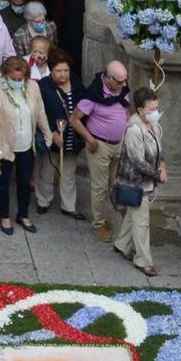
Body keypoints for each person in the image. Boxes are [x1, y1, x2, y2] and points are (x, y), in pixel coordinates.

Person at [0, 55, 48, 236]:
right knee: (2, 182)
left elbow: (40, 112)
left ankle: (23, 215)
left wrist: (48, 135)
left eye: (21, 79)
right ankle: (4, 216)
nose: (18, 82)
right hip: (5, 146)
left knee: (25, 182)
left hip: (26, 145)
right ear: (5, 75)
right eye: (14, 79)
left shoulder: (33, 87)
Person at [71, 58, 129, 243]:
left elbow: (126, 111)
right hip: (99, 146)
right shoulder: (92, 96)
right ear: (108, 79)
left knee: (111, 183)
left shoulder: (122, 91)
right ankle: (98, 224)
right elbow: (74, 119)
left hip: (118, 144)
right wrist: (89, 138)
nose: (124, 85)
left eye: (124, 81)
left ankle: (102, 216)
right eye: (120, 81)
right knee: (99, 187)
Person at [109, 85, 164, 266]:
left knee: (134, 214)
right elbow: (138, 162)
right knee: (142, 224)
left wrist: (162, 165)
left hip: (144, 181)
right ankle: (143, 262)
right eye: (152, 109)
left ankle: (121, 244)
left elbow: (158, 149)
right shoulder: (134, 129)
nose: (156, 112)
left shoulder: (153, 125)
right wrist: (158, 175)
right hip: (136, 183)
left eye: (157, 107)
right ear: (140, 110)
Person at [32, 51, 83, 220]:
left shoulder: (76, 83)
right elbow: (40, 113)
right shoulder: (44, 86)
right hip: (51, 135)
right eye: (58, 71)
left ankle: (69, 206)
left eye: (66, 70)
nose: (63, 74)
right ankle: (43, 201)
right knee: (46, 171)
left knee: (68, 173)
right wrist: (51, 132)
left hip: (71, 137)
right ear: (51, 71)